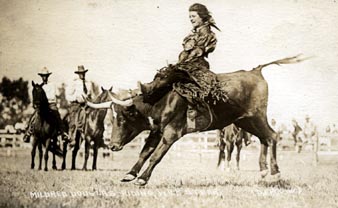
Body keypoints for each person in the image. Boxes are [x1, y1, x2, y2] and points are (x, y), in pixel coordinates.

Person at [139, 3, 220, 103]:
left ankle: (150, 88)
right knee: (164, 74)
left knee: (174, 75)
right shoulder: (195, 32)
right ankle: (150, 91)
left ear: (202, 17)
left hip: (196, 66)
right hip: (189, 64)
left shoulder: (205, 32)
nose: (191, 19)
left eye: (193, 16)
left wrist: (181, 64)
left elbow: (195, 53)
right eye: (190, 16)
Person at [23, 67, 68, 142]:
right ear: (41, 77)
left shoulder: (52, 85)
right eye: (43, 76)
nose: (44, 77)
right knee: (34, 116)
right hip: (42, 106)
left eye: (46, 76)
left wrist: (45, 100)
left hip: (51, 104)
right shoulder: (38, 86)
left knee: (57, 115)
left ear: (47, 76)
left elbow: (53, 96)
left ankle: (62, 132)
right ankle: (28, 132)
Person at [66, 65, 95, 147]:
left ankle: (96, 135)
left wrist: (92, 100)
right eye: (80, 73)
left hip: (87, 104)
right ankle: (71, 136)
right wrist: (75, 98)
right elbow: (68, 95)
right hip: (76, 104)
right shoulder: (74, 83)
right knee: (74, 119)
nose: (82, 75)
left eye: (83, 73)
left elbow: (92, 95)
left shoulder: (89, 83)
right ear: (78, 74)